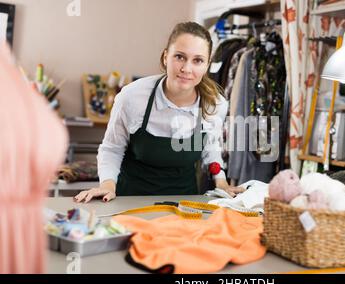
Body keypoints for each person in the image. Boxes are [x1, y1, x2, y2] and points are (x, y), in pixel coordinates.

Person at [75, 22, 244, 203]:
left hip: (184, 205)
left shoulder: (215, 104)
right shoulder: (132, 97)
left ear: (207, 65)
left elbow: (210, 148)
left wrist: (221, 181)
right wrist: (107, 186)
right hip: (129, 202)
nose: (187, 69)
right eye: (180, 57)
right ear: (165, 57)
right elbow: (112, 148)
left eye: (198, 60)